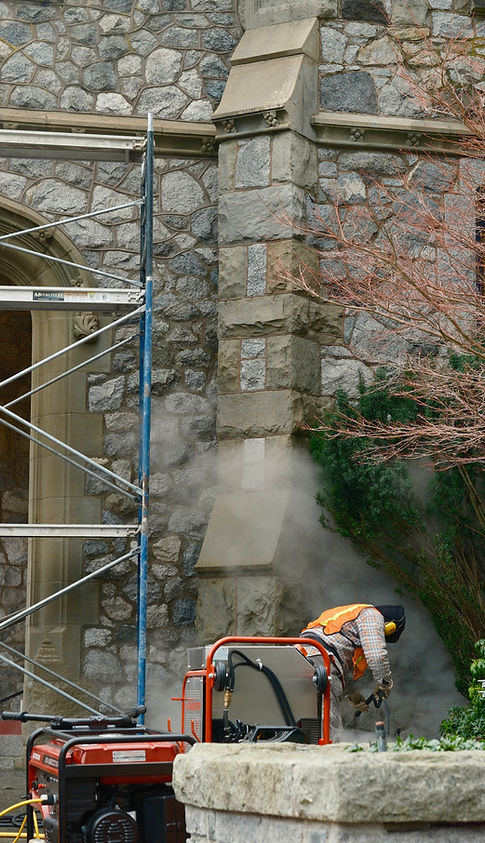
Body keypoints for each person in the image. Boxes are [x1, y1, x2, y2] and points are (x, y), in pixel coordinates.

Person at [300, 603, 406, 739]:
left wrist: (352, 693)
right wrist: (384, 684)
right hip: (322, 661)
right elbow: (376, 655)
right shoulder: (372, 615)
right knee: (329, 730)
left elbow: (338, 653)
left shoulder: (349, 614)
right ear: (390, 627)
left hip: (301, 655)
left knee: (307, 720)